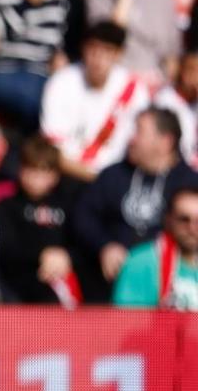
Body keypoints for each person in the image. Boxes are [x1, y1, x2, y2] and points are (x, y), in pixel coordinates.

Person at [72, 107, 198, 299]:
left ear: (165, 142)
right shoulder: (114, 175)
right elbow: (83, 215)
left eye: (139, 132)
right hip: (107, 281)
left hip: (169, 288)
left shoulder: (189, 184)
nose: (131, 139)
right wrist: (104, 245)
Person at [42, 21, 152, 183]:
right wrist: (97, 180)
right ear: (83, 49)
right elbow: (52, 149)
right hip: (65, 177)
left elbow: (140, 149)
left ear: (118, 54)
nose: (98, 58)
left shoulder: (135, 91)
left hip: (118, 179)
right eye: (92, 48)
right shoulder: (61, 82)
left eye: (107, 51)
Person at [0, 135, 81, 305]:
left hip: (62, 275)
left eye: (42, 171)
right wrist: (42, 256)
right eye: (30, 169)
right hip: (21, 280)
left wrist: (66, 257)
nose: (35, 178)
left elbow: (81, 241)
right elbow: (7, 248)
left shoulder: (68, 205)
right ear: (21, 170)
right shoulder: (8, 206)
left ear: (54, 176)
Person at [112, 185, 198, 310]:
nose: (192, 228)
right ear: (168, 220)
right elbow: (127, 323)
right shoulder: (141, 262)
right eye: (184, 219)